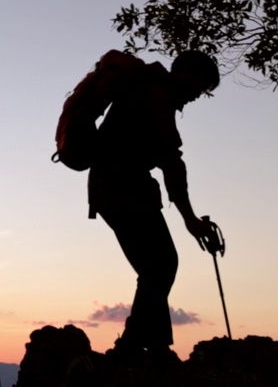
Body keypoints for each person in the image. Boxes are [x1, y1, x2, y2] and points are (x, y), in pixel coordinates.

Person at [88, 50, 221, 365]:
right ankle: (133, 347)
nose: (197, 95)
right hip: (123, 188)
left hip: (116, 188)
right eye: (200, 86)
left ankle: (156, 344)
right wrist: (190, 220)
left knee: (157, 267)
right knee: (160, 265)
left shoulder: (150, 90)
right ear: (186, 72)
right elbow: (171, 160)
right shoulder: (156, 94)